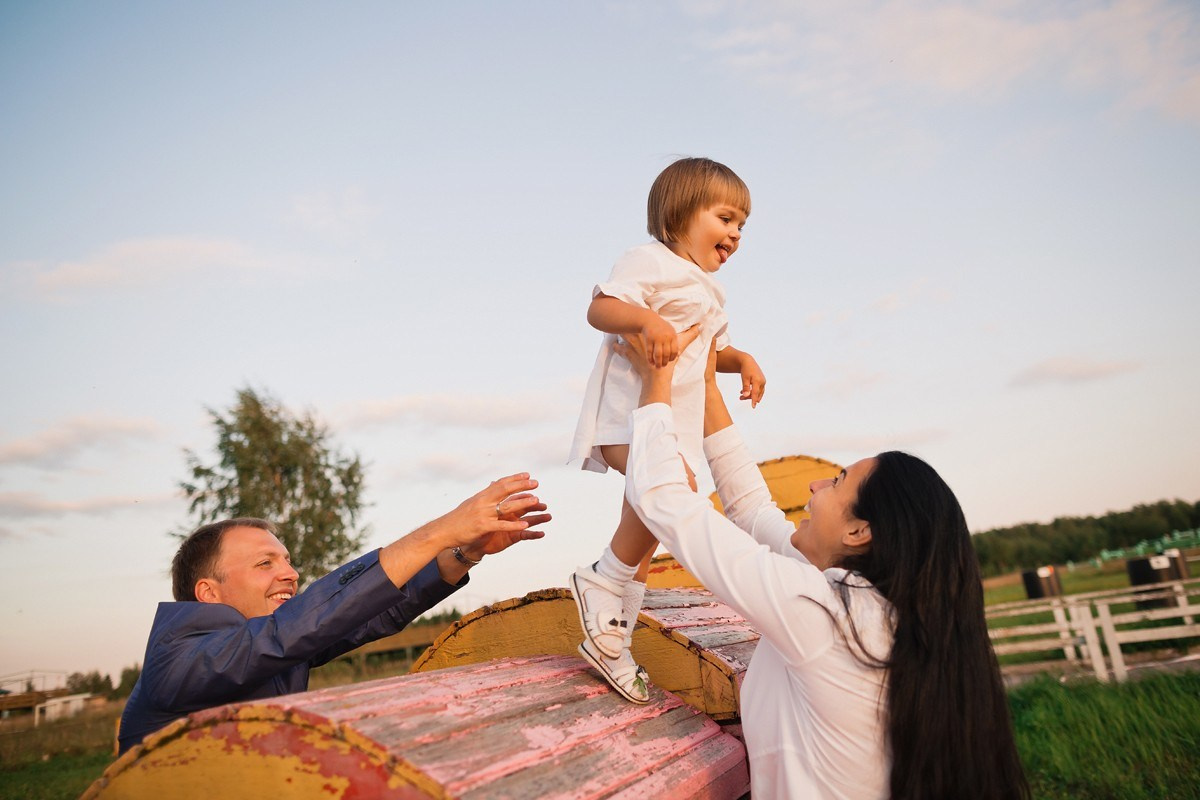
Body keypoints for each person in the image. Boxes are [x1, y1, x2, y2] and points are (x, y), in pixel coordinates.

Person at [613, 333, 1030, 800]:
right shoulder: (875, 610)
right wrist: (707, 383)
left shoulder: (827, 613)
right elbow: (751, 509)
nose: (815, 485)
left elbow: (663, 500)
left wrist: (657, 382)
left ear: (859, 532)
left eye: (837, 482)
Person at [118, 473, 550, 755]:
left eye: (287, 560)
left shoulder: (272, 647)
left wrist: (463, 552)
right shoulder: (179, 659)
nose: (291, 573)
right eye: (265, 563)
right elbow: (294, 630)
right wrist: (440, 531)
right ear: (208, 593)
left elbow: (368, 615)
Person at [567, 157, 766, 703]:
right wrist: (646, 321)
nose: (735, 234)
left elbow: (706, 351)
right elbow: (600, 307)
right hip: (629, 416)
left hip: (669, 427)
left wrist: (741, 358)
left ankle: (615, 610)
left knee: (666, 506)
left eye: (742, 227)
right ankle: (604, 582)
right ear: (682, 213)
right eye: (726, 218)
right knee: (669, 493)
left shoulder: (706, 291)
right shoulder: (648, 261)